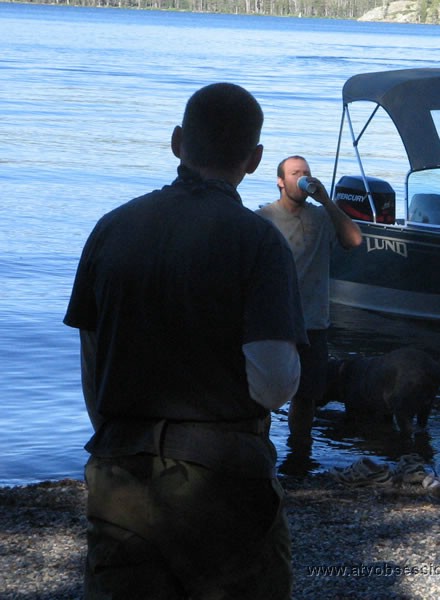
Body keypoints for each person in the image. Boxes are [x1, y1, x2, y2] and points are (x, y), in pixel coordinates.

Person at [64, 83, 307, 599]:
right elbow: (273, 385)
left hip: (119, 475)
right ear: (256, 158)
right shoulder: (260, 242)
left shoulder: (111, 229)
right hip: (224, 482)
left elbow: (92, 361)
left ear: (177, 142)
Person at [256, 156, 362, 446]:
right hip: (275, 321)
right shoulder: (263, 219)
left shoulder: (322, 217)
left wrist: (328, 201)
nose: (303, 178)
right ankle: (261, 453)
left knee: (306, 397)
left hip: (313, 323)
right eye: (295, 173)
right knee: (263, 395)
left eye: (307, 173)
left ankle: (299, 456)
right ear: (280, 181)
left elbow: (354, 241)